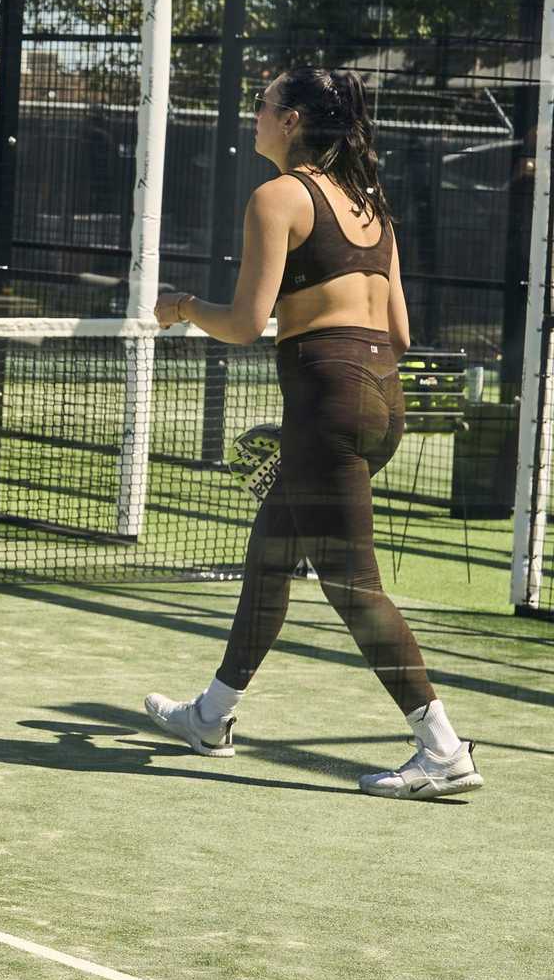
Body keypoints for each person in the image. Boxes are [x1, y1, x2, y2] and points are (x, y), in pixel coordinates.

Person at [144, 66, 481, 801]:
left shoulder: (278, 197)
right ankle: (211, 716)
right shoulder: (372, 209)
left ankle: (443, 748)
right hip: (379, 401)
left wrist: (180, 306)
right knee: (270, 558)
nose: (254, 118)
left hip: (329, 407)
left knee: (352, 585)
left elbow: (240, 323)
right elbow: (399, 329)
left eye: (261, 106)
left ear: (292, 120)